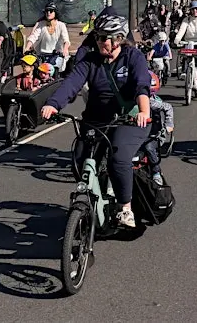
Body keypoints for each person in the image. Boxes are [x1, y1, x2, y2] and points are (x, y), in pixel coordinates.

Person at [41, 14, 151, 228]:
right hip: (96, 119)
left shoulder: (132, 57)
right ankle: (92, 198)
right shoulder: (91, 61)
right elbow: (71, 83)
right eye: (98, 37)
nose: (101, 41)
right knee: (80, 158)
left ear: (118, 39)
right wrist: (53, 104)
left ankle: (124, 208)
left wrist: (144, 111)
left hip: (128, 119)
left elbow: (141, 84)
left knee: (118, 158)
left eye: (105, 38)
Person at [173, 0, 197, 95]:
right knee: (186, 61)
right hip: (189, 43)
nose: (195, 11)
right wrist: (177, 40)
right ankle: (188, 76)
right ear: (190, 10)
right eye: (193, 9)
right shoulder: (187, 20)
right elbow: (181, 30)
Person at [142, 71, 174, 186]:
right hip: (134, 131)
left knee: (149, 147)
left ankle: (156, 172)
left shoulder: (152, 102)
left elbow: (168, 107)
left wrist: (168, 125)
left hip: (152, 135)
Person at [24, 2, 70, 72]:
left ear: (55, 13)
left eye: (51, 11)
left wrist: (65, 50)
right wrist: (27, 48)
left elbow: (66, 40)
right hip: (42, 55)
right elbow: (34, 36)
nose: (48, 13)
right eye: (46, 11)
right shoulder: (41, 24)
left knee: (55, 69)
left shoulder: (61, 25)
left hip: (57, 56)